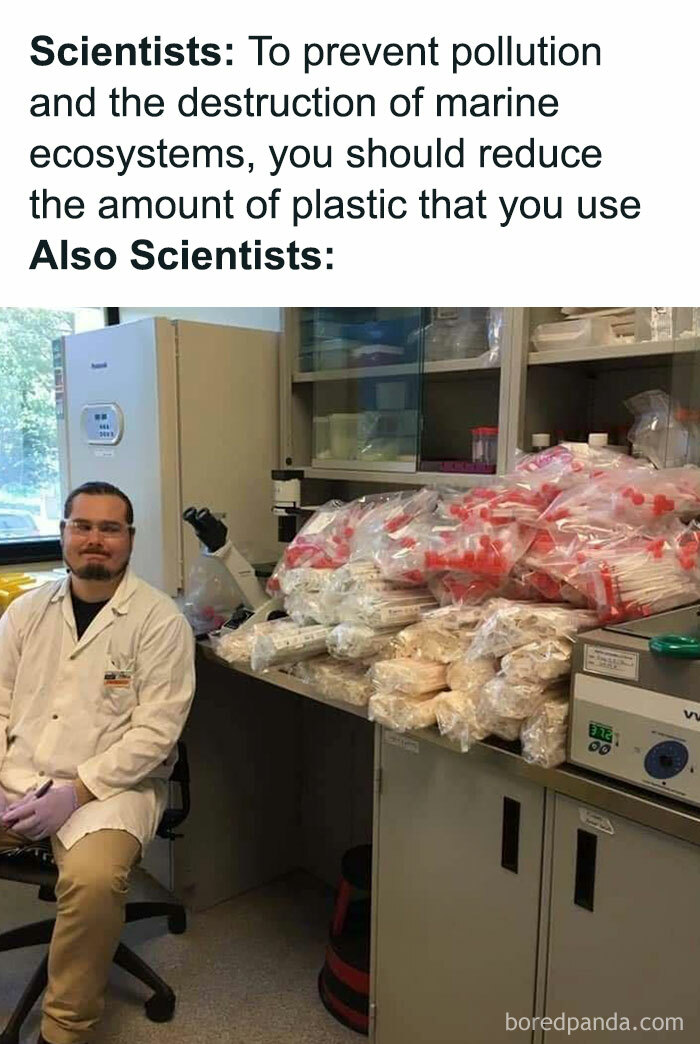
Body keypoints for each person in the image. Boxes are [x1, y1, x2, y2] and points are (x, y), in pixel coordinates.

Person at [0, 481, 195, 1044]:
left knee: (89, 880)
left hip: (111, 792)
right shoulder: (25, 613)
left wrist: (74, 792)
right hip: (18, 776)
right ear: (62, 534)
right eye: (82, 526)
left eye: (110, 529)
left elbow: (157, 734)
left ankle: (64, 1030)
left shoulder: (160, 623)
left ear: (129, 540)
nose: (95, 540)